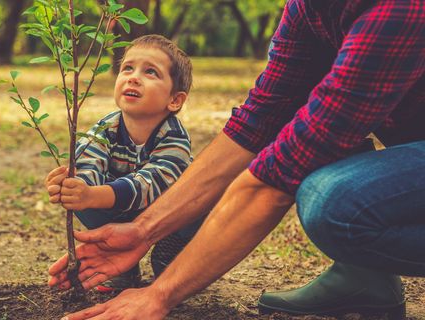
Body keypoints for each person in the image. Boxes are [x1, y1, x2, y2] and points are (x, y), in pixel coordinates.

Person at [48, 0, 425, 319]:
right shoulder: (307, 9)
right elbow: (258, 121)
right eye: (128, 68)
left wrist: (159, 294)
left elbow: (280, 173)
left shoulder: (398, 9)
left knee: (333, 201)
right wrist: (142, 231)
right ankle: (366, 277)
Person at [45, 34, 205, 292]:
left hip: (170, 213)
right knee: (84, 201)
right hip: (123, 208)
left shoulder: (174, 137)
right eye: (127, 68)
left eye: (150, 72)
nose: (133, 77)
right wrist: (75, 187)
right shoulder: (107, 126)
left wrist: (96, 194)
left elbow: (151, 184)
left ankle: (175, 256)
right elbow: (88, 160)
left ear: (174, 100)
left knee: (195, 215)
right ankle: (123, 266)